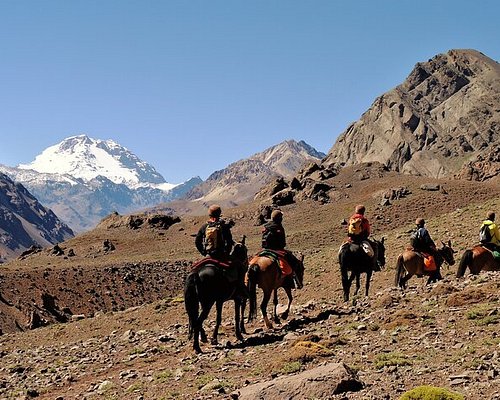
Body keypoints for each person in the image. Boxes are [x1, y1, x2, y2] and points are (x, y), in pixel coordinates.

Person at [261, 210, 300, 286]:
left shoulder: (266, 226)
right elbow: (282, 242)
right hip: (277, 250)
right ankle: (296, 282)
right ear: (279, 218)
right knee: (294, 262)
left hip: (265, 249)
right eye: (281, 217)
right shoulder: (278, 227)